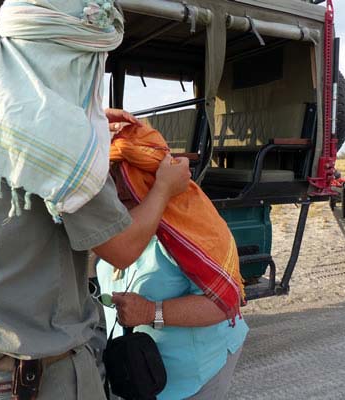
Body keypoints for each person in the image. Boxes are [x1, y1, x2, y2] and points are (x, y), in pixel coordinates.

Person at [0, 1, 191, 399]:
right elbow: (123, 249)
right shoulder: (61, 140)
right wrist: (165, 187)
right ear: (72, 56)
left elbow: (11, 135)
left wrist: (86, 125)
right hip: (37, 381)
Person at [96, 124, 249, 400]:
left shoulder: (191, 229)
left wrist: (150, 311)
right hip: (139, 374)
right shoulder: (113, 225)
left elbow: (225, 303)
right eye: (111, 176)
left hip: (196, 376)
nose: (118, 190)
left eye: (127, 176)